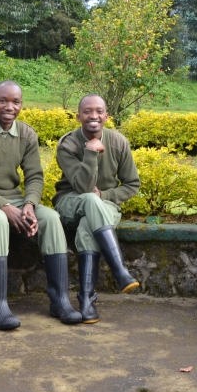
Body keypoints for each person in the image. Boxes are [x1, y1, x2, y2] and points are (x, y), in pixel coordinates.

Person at [0, 81, 81, 329]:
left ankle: (60, 302)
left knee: (52, 219)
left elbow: (34, 176)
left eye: (16, 102)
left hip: (15, 200)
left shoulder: (26, 133)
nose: (9, 107)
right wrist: (4, 206)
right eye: (3, 100)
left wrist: (30, 205)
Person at [53, 94, 142, 322]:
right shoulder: (68, 144)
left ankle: (86, 300)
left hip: (106, 204)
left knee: (88, 225)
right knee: (90, 201)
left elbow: (132, 184)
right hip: (70, 201)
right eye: (87, 112)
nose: (93, 116)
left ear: (106, 115)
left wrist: (105, 195)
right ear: (78, 116)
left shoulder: (119, 142)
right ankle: (119, 271)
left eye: (99, 111)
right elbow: (83, 188)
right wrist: (91, 151)